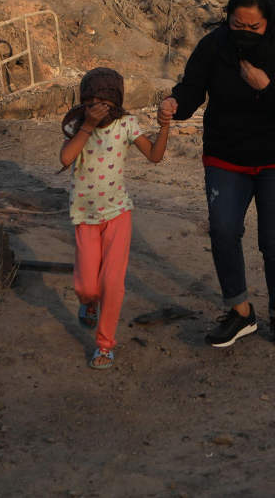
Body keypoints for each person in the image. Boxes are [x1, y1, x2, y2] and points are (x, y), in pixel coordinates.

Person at [158, 0, 275, 350]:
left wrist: (266, 87)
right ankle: (240, 312)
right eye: (237, 25)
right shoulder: (214, 46)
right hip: (226, 157)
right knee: (223, 231)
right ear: (227, 18)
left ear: (269, 22)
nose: (244, 33)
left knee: (274, 243)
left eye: (253, 28)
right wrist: (174, 104)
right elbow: (192, 89)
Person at [59, 67, 170, 370]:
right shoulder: (76, 125)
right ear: (83, 101)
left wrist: (164, 127)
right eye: (91, 100)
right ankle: (89, 304)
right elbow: (66, 158)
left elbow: (155, 156)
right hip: (84, 216)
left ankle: (105, 344)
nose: (97, 107)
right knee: (85, 285)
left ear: (116, 102)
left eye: (104, 101)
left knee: (112, 283)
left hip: (118, 213)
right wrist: (87, 126)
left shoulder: (126, 125)